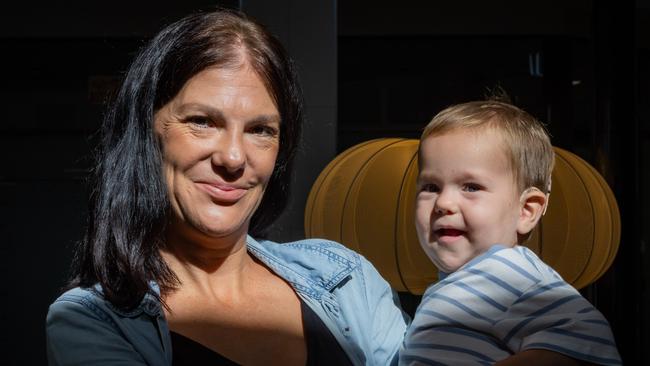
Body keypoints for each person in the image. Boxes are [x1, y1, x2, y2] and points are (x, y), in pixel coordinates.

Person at [45, 8, 409, 366]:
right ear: (147, 132)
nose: (234, 158)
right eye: (202, 121)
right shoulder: (93, 320)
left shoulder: (344, 279)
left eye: (260, 130)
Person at [400, 100, 622, 366]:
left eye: (471, 187)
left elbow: (589, 336)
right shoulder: (469, 279)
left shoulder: (508, 273)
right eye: (431, 187)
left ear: (526, 211)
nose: (443, 203)